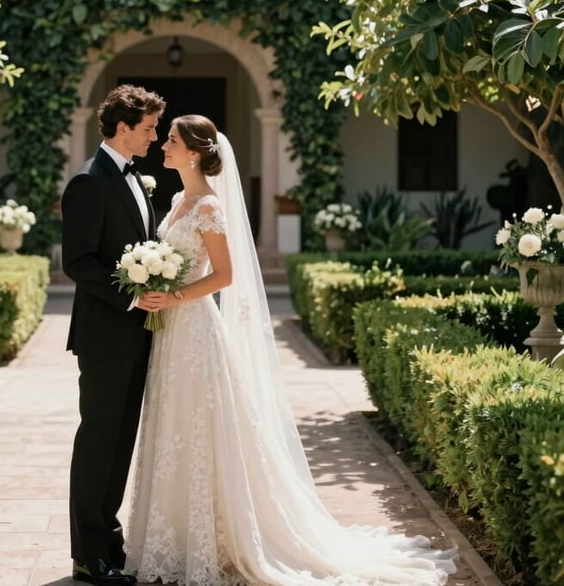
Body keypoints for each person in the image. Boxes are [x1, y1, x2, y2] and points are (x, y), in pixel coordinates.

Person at [125, 114, 459, 586]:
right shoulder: (179, 199)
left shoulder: (208, 208)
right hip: (169, 330)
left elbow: (224, 275)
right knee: (172, 423)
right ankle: (172, 536)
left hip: (195, 329)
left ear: (195, 152)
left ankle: (214, 537)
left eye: (172, 141)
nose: (163, 146)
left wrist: (175, 295)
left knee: (198, 425)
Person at [62, 84, 166, 586]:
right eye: (148, 128)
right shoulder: (88, 181)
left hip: (137, 334)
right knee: (98, 441)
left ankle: (109, 541)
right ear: (123, 127)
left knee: (120, 441)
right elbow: (77, 262)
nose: (154, 136)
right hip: (105, 336)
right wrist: (131, 297)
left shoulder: (135, 178)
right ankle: (87, 555)